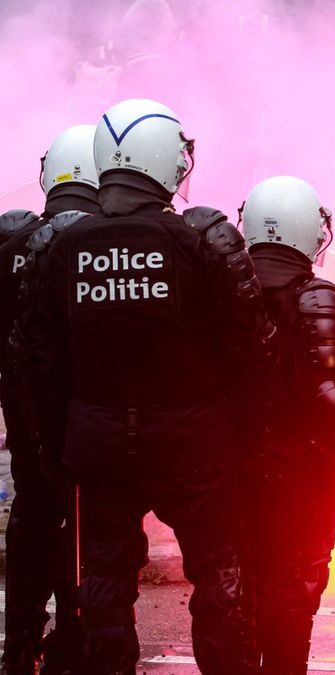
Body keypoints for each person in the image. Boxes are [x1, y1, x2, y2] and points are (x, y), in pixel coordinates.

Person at [18, 98, 272, 674]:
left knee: (104, 581)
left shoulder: (62, 246)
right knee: (219, 573)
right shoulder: (200, 240)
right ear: (164, 159)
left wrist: (60, 447)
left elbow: (39, 362)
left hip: (99, 440)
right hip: (193, 441)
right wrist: (238, 438)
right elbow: (247, 346)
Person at [237, 176, 335, 672]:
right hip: (298, 476)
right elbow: (327, 393)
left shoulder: (223, 291)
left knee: (240, 591)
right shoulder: (314, 296)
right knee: (292, 589)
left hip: (232, 471)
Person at [0, 125, 99, 675]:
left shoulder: (11, 244)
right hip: (94, 416)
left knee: (35, 517)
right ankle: (78, 640)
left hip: (26, 417)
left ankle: (20, 643)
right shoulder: (105, 241)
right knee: (96, 526)